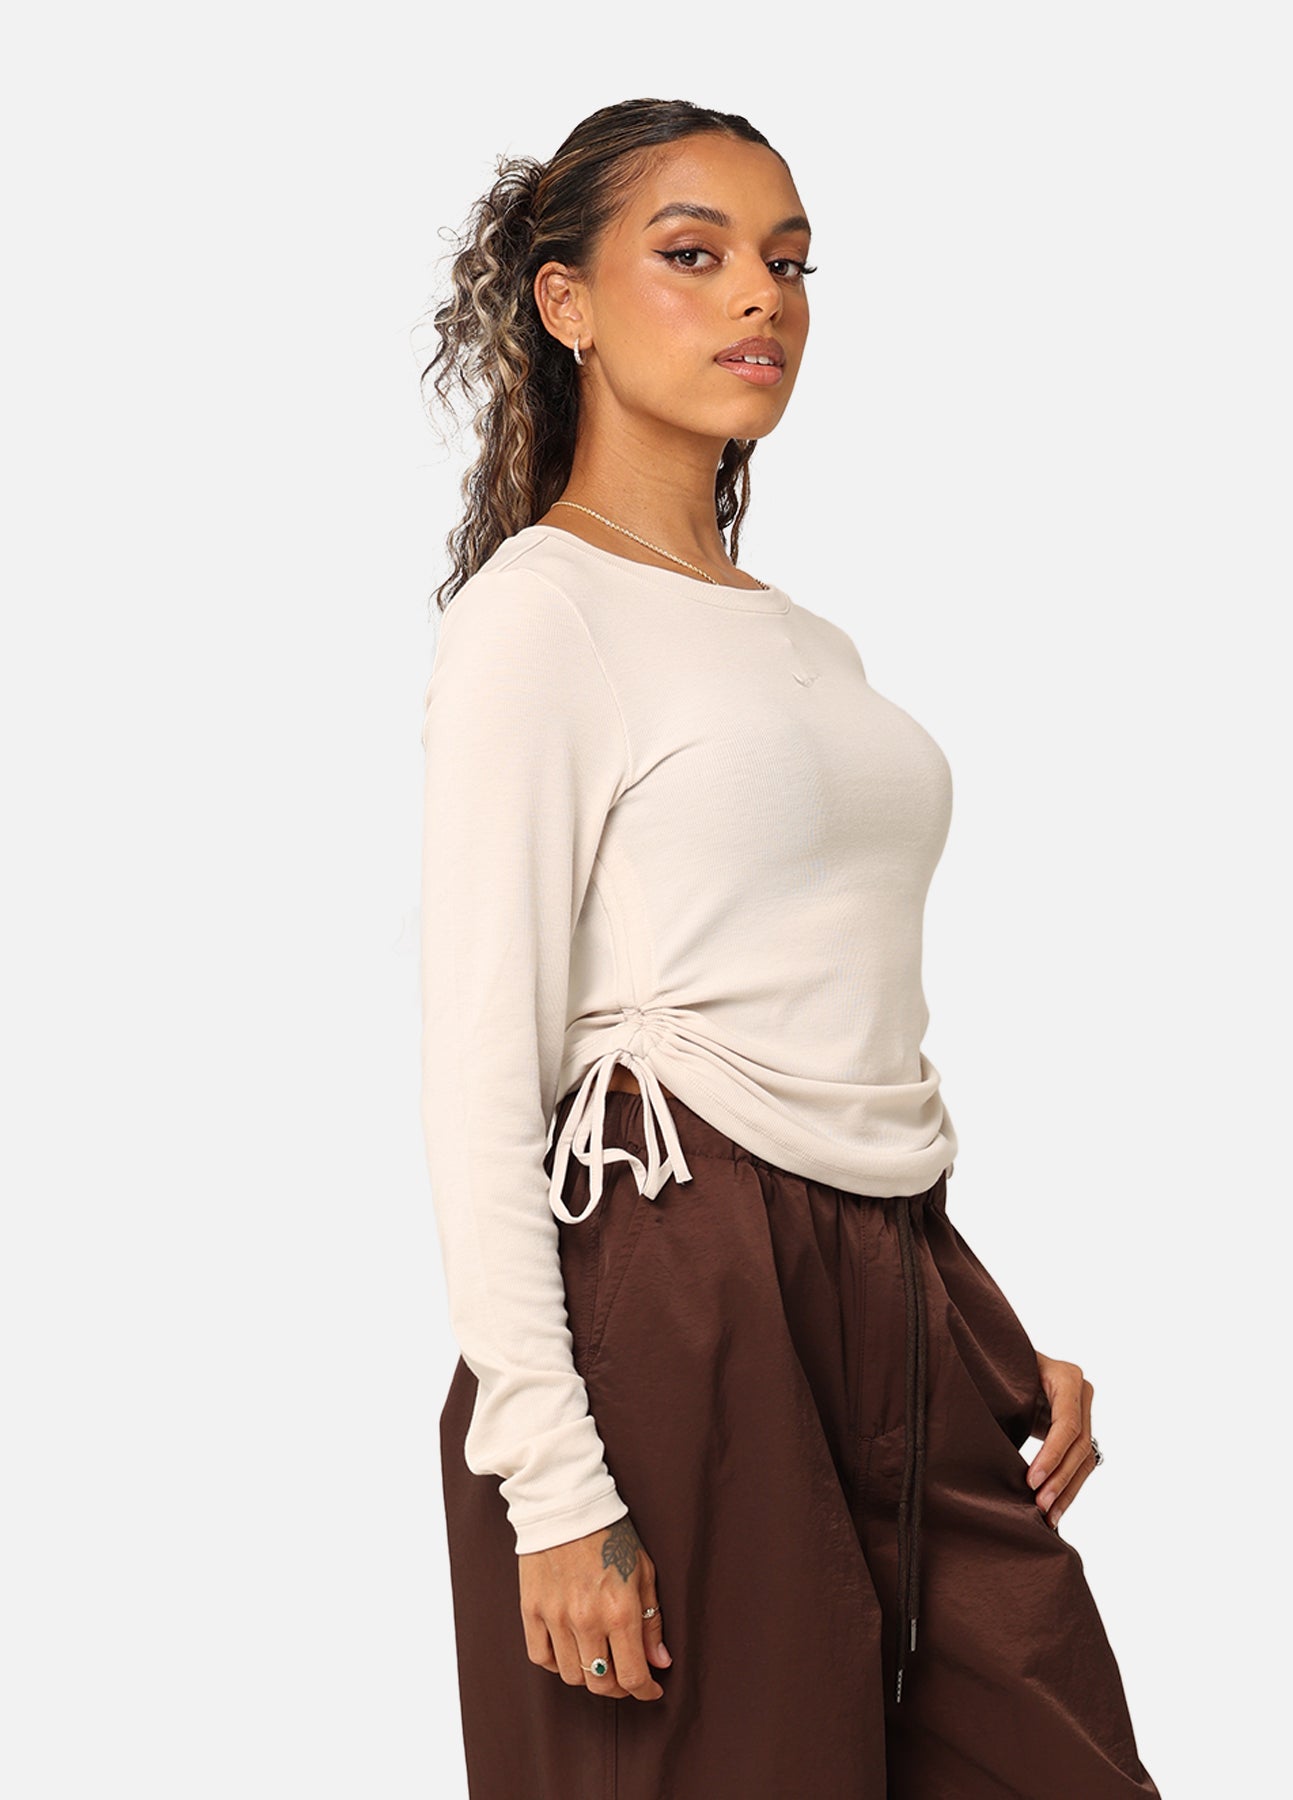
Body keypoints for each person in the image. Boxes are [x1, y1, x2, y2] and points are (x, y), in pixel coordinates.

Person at [418, 96, 1164, 1799]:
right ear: (565, 303)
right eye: (693, 256)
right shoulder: (539, 612)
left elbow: (840, 1022)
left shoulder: (811, 641)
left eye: (790, 262)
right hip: (671, 1280)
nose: (761, 296)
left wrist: (969, 1337)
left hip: (893, 1279)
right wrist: (551, 1480)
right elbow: (478, 1073)